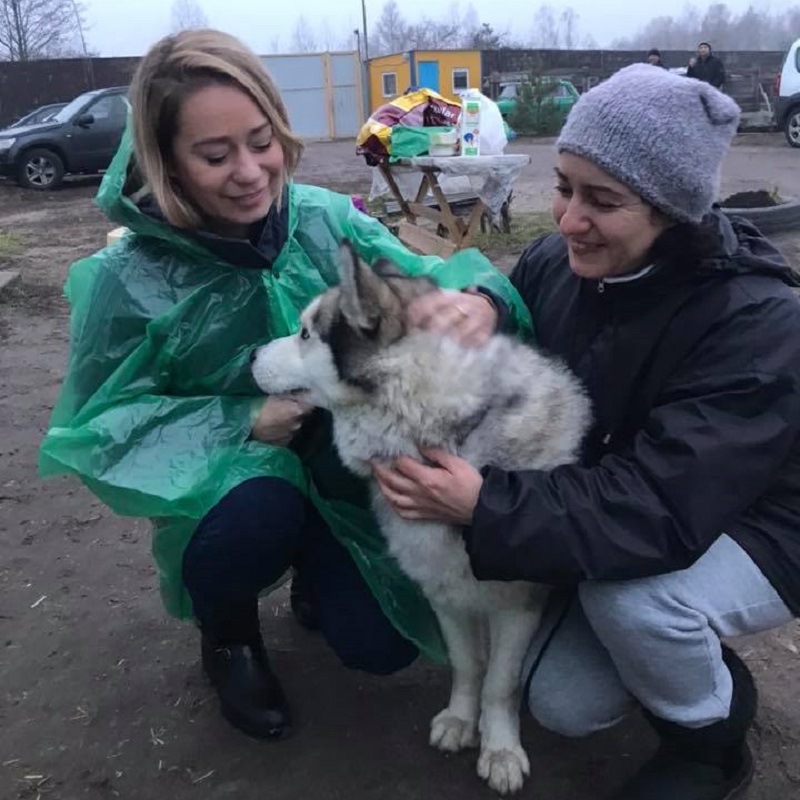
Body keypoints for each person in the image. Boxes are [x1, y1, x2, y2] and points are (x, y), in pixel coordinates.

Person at [38, 29, 531, 741]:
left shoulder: (322, 220)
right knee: (257, 514)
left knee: (382, 646)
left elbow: (433, 283)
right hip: (227, 489)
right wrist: (239, 420)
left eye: (261, 141)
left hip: (339, 472)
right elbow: (100, 422)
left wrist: (480, 301)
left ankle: (320, 578)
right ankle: (230, 635)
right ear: (167, 161)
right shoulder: (129, 279)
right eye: (214, 154)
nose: (249, 171)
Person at [372, 63, 800, 800]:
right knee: (565, 705)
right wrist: (487, 303)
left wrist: (484, 507)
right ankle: (668, 654)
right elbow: (518, 292)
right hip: (606, 500)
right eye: (564, 186)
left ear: (674, 212)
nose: (568, 218)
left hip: (750, 521)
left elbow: (659, 506)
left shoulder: (757, 322)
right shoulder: (560, 260)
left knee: (634, 603)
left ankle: (712, 738)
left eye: (603, 200)